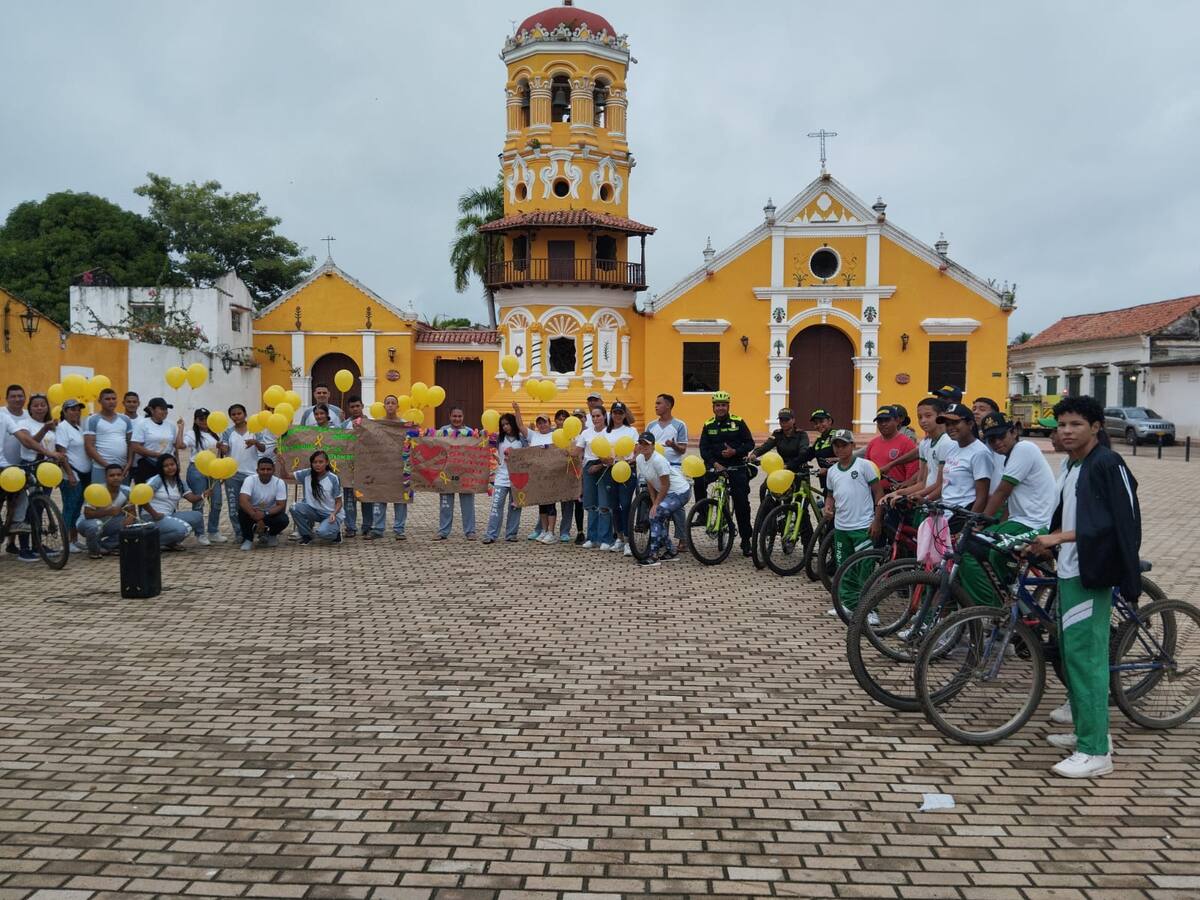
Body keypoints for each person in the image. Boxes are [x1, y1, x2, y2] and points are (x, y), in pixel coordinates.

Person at [1029, 395, 1141, 779]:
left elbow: (1119, 523)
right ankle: (1088, 733)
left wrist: (1059, 539)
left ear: (1096, 427)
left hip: (1091, 573)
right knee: (1073, 654)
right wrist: (1045, 542)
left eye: (1075, 424)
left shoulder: (1108, 463)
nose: (1066, 431)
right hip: (1069, 569)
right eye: (1062, 425)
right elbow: (1065, 513)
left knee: (1086, 659)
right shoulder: (1074, 464)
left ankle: (1096, 752)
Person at [958, 412, 1055, 607]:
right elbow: (1010, 501)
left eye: (1001, 436)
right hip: (1020, 521)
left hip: (1037, 524)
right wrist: (991, 524)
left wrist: (981, 520)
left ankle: (999, 607)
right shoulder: (1008, 457)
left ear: (1014, 432)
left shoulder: (1024, 448)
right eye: (991, 439)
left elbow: (1002, 492)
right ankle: (999, 602)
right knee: (970, 546)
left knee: (995, 552)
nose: (997, 443)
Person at [824, 429, 884, 616]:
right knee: (844, 568)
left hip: (862, 527)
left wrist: (877, 520)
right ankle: (849, 604)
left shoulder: (865, 466)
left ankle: (870, 610)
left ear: (853, 446)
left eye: (844, 445)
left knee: (865, 569)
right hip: (841, 528)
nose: (840, 449)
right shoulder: (832, 471)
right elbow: (830, 495)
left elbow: (878, 493)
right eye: (836, 445)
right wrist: (828, 507)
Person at [697, 390, 755, 556]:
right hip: (717, 466)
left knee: (741, 503)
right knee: (699, 480)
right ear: (713, 407)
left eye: (723, 405)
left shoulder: (738, 422)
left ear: (728, 406)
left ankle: (746, 540)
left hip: (736, 466)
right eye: (717, 405)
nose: (720, 408)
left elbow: (749, 443)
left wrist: (735, 452)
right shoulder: (708, 424)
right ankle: (703, 513)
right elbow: (703, 448)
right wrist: (714, 463)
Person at [633, 430, 690, 567]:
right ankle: (671, 551)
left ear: (653, 446)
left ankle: (653, 555)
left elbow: (665, 485)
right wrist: (654, 502)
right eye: (641, 443)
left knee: (656, 514)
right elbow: (650, 481)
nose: (643, 446)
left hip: (679, 492)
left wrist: (657, 504)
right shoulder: (640, 459)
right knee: (656, 514)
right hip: (665, 492)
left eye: (647, 444)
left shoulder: (659, 460)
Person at [932, 402, 992, 519]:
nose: (950, 428)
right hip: (944, 512)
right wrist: (925, 500)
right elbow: (947, 484)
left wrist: (968, 525)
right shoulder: (952, 447)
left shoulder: (980, 453)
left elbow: (982, 497)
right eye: (947, 424)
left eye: (955, 422)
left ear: (970, 424)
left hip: (961, 515)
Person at [645, 393, 689, 550]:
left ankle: (683, 538)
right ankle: (657, 534)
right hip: (655, 467)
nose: (655, 406)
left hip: (673, 467)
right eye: (655, 403)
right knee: (650, 498)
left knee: (676, 504)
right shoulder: (650, 426)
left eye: (659, 403)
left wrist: (674, 445)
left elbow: (683, 449)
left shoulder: (679, 425)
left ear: (669, 405)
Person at [177, 408, 226, 543]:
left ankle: (213, 531)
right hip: (197, 470)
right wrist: (181, 427)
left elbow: (222, 452)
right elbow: (180, 445)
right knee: (199, 502)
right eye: (201, 419)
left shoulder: (216, 434)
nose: (204, 421)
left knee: (217, 502)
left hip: (214, 470)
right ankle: (200, 533)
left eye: (206, 418)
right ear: (195, 420)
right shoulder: (192, 434)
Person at [140, 454, 207, 549]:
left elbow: (191, 498)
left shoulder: (180, 482)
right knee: (184, 530)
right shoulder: (156, 480)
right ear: (161, 468)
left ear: (177, 465)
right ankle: (149, 542)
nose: (170, 468)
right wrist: (154, 514)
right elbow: (142, 499)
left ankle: (169, 541)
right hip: (151, 517)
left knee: (197, 516)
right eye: (166, 466)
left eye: (172, 464)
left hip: (168, 515)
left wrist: (203, 495)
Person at [221, 404, 267, 543]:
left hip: (252, 474)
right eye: (233, 414)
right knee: (234, 505)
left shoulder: (255, 429)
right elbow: (225, 450)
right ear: (230, 417)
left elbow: (263, 448)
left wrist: (255, 442)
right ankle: (239, 533)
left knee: (255, 504)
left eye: (239, 413)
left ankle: (260, 530)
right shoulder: (227, 432)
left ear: (245, 414)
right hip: (232, 475)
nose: (236, 416)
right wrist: (221, 447)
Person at [279, 449, 344, 544]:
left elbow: (339, 502)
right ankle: (306, 535)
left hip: (330, 514)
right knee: (294, 507)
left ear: (326, 463)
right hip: (313, 511)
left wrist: (334, 513)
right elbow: (285, 476)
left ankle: (336, 533)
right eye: (315, 462)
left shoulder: (333, 478)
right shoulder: (306, 474)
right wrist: (282, 465)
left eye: (320, 462)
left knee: (322, 533)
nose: (317, 465)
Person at [483, 409, 527, 543]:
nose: (505, 427)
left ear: (513, 424)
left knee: (515, 506)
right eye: (503, 425)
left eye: (507, 424)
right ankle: (491, 535)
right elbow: (483, 445)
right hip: (501, 477)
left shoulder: (522, 439)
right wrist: (481, 435)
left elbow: (529, 454)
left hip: (518, 478)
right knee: (496, 506)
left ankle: (511, 534)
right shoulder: (498, 438)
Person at [435, 406, 478, 541]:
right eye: (454, 416)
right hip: (446, 474)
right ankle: (443, 531)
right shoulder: (443, 431)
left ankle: (470, 532)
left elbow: (476, 451)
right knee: (445, 504)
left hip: (465, 474)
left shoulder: (471, 433)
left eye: (459, 416)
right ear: (450, 417)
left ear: (463, 417)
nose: (457, 419)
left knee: (468, 505)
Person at [55, 399, 91, 553]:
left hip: (84, 474)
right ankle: (65, 543)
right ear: (64, 411)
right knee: (69, 508)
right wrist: (70, 474)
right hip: (71, 474)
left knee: (77, 509)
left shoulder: (78, 428)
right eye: (72, 409)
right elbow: (61, 453)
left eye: (78, 409)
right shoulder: (62, 428)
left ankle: (74, 540)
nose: (76, 412)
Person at [338, 396, 376, 540]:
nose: (355, 409)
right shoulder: (343, 426)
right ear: (349, 408)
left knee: (366, 499)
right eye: (352, 406)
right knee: (349, 499)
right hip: (348, 467)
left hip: (366, 466)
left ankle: (367, 527)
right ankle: (350, 527)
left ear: (362, 406)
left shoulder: (371, 424)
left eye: (357, 406)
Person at [605, 401, 639, 556]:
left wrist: (634, 459)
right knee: (614, 505)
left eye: (620, 413)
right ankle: (618, 537)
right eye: (615, 413)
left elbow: (637, 449)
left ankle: (627, 539)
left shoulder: (631, 431)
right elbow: (601, 450)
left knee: (625, 504)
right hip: (611, 470)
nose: (617, 416)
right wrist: (604, 459)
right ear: (611, 414)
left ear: (625, 415)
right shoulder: (606, 432)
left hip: (626, 469)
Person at [577, 406, 613, 549]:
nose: (596, 419)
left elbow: (611, 457)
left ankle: (606, 539)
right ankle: (592, 538)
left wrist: (599, 466)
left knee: (604, 505)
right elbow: (577, 451)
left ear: (604, 416)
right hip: (588, 468)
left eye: (598, 416)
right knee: (591, 504)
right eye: (593, 416)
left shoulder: (610, 433)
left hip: (604, 467)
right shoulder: (586, 433)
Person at [77, 464, 133, 558]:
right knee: (95, 526)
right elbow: (87, 514)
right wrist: (108, 512)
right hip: (88, 523)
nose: (116, 478)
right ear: (106, 477)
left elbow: (132, 512)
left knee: (132, 526)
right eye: (112, 475)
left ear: (123, 476)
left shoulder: (127, 491)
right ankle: (94, 550)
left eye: (119, 475)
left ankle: (106, 546)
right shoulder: (97, 490)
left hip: (110, 523)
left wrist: (129, 519)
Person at [519, 410, 557, 544]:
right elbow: (520, 426)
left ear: (549, 423)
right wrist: (518, 410)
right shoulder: (533, 435)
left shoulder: (555, 435)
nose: (542, 425)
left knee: (550, 504)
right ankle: (544, 530)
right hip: (537, 476)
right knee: (541, 505)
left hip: (551, 476)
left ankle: (552, 532)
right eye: (539, 423)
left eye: (544, 422)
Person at [237, 456, 289, 550]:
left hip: (269, 513)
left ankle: (271, 535)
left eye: (268, 469)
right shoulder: (250, 480)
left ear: (273, 470)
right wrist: (255, 516)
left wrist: (264, 514)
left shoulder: (279, 482)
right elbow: (243, 500)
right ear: (257, 470)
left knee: (283, 519)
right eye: (262, 469)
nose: (265, 472)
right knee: (242, 511)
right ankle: (248, 539)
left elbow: (281, 505)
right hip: (252, 512)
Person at [83, 388, 132, 484]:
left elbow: (131, 444)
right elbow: (89, 447)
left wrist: (128, 464)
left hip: (122, 468)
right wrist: (108, 466)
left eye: (114, 399)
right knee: (100, 497)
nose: (111, 401)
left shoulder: (125, 419)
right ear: (100, 401)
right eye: (107, 399)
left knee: (122, 497)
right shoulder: (92, 420)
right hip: (101, 468)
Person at [378, 394, 410, 540]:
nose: (390, 405)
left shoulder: (404, 424)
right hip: (382, 466)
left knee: (400, 498)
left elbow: (410, 443)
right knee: (379, 497)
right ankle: (378, 528)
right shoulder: (377, 425)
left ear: (398, 407)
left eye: (393, 403)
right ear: (384, 406)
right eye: (388, 402)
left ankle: (399, 529)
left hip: (400, 467)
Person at [865, 405, 918, 487]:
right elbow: (866, 470)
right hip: (874, 493)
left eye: (887, 420)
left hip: (895, 493)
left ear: (897, 421)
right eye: (880, 421)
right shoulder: (872, 443)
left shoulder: (907, 443)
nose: (883, 424)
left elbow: (912, 475)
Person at [130, 398, 176, 483]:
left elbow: (174, 446)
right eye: (162, 409)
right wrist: (155, 455)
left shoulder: (171, 425)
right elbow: (135, 446)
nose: (165, 412)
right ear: (151, 410)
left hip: (166, 466)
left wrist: (177, 464)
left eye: (166, 409)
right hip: (148, 465)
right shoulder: (142, 424)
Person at [972, 396, 1005, 491]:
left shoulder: (1000, 441)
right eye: (974, 409)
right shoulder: (976, 437)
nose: (976, 412)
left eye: (982, 409)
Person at [805, 408, 838, 487]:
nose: (818, 425)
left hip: (839, 479)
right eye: (816, 423)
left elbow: (846, 458)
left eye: (821, 421)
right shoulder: (819, 440)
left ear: (829, 421)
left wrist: (829, 469)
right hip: (825, 479)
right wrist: (789, 465)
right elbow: (807, 455)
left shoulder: (837, 436)